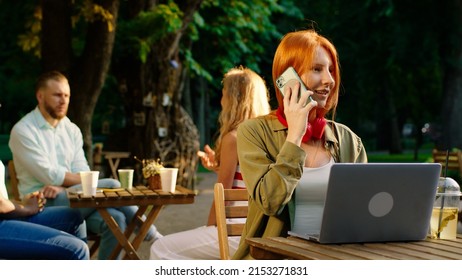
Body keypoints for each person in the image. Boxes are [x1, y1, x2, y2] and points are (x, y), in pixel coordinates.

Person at [232, 29, 368, 259]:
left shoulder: (348, 141)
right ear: (289, 78)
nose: (329, 80)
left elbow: (366, 210)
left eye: (331, 70)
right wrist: (294, 136)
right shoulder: (254, 132)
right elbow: (270, 202)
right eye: (317, 69)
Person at [8, 71, 160, 260]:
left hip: (75, 198)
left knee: (117, 219)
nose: (63, 100)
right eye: (57, 95)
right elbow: (49, 175)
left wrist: (63, 185)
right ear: (40, 96)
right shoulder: (23, 130)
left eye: (67, 96)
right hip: (40, 204)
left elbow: (83, 172)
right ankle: (150, 233)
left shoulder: (71, 130)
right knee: (112, 184)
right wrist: (68, 182)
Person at [149, 66, 271, 259]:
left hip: (237, 233)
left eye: (223, 95)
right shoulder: (268, 136)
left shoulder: (234, 137)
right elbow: (248, 181)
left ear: (234, 99)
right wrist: (220, 168)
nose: (221, 100)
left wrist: (210, 228)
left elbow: (222, 194)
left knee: (161, 247)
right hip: (263, 231)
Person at [0, 161, 89, 260]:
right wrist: (26, 209)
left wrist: (22, 203)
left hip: (6, 215)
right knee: (77, 249)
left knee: (72, 216)